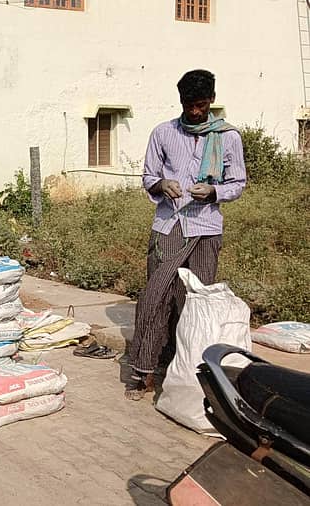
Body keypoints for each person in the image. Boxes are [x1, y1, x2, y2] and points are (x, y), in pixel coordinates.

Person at [126, 70, 246, 400]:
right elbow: (149, 176)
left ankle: (188, 372)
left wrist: (214, 191)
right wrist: (162, 185)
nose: (195, 111)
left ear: (211, 101)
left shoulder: (228, 137)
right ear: (181, 102)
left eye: (201, 105)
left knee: (195, 302)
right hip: (169, 226)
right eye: (190, 105)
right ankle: (143, 372)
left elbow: (237, 183)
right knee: (155, 296)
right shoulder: (163, 133)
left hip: (207, 227)